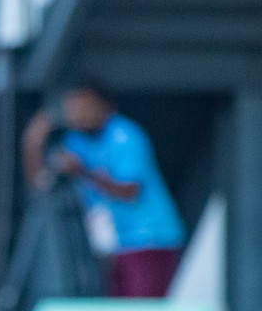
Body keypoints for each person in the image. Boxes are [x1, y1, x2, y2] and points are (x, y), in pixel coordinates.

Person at [23, 79, 184, 297]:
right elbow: (41, 184)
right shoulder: (75, 141)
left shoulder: (124, 135)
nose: (77, 113)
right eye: (72, 108)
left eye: (83, 106)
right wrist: (32, 142)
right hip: (111, 245)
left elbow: (129, 191)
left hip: (148, 240)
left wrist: (82, 171)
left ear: (104, 105)